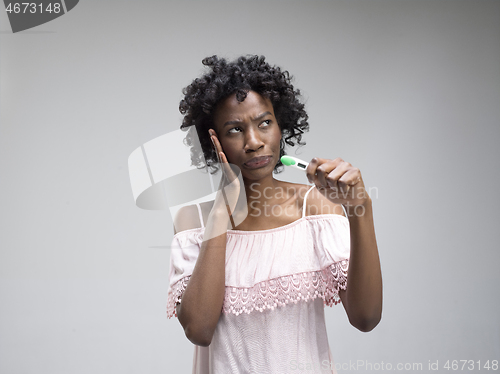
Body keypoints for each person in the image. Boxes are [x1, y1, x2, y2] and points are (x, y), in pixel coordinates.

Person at [166, 55, 382, 374]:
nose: (254, 142)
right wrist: (223, 212)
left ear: (281, 126)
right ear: (213, 140)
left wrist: (360, 210)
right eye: (235, 129)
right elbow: (199, 329)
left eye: (264, 122)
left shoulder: (316, 208)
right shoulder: (194, 220)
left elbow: (366, 318)